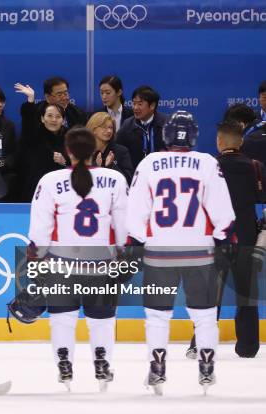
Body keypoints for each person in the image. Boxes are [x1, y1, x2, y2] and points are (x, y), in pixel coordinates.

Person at [126, 111, 235, 395]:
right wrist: (223, 237)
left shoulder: (150, 162)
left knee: (157, 316)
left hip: (159, 250)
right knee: (205, 315)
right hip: (199, 250)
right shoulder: (208, 162)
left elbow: (135, 209)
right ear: (194, 135)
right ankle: (207, 367)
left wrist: (138, 239)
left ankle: (157, 367)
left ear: (166, 135)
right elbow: (222, 210)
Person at [25, 127, 127, 391]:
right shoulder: (114, 179)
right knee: (102, 319)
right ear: (95, 150)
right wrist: (123, 255)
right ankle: (102, 362)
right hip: (102, 263)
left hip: (61, 263)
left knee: (62, 317)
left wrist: (35, 259)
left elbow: (40, 230)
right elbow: (123, 227)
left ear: (68, 151)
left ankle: (64, 364)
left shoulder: (50, 180)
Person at [186, 121, 262, 359]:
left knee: (209, 294)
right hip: (247, 237)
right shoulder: (256, 167)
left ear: (219, 142)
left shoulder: (209, 168)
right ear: (241, 143)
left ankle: (200, 342)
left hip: (216, 238)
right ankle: (248, 346)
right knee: (246, 293)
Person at [17, 103, 70, 202]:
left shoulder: (69, 137)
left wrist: (65, 162)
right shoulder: (33, 135)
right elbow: (28, 121)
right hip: (35, 189)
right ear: (42, 118)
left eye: (58, 117)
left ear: (63, 120)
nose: (54, 120)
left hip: (60, 189)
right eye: (49, 116)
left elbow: (76, 163)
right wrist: (30, 101)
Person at [14, 77, 87, 139]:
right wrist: (31, 100)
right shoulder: (36, 112)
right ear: (47, 97)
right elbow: (28, 131)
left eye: (66, 93)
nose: (64, 98)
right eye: (59, 95)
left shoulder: (77, 113)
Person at [116, 85, 168, 172]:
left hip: (162, 175)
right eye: (134, 103)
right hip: (137, 177)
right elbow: (117, 150)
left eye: (140, 104)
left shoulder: (166, 124)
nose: (135, 108)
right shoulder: (127, 126)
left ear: (152, 106)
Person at [86, 112, 133, 184]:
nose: (109, 131)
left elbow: (128, 180)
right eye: (104, 127)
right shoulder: (84, 152)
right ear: (94, 130)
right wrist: (96, 166)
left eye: (111, 128)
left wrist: (111, 166)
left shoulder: (121, 151)